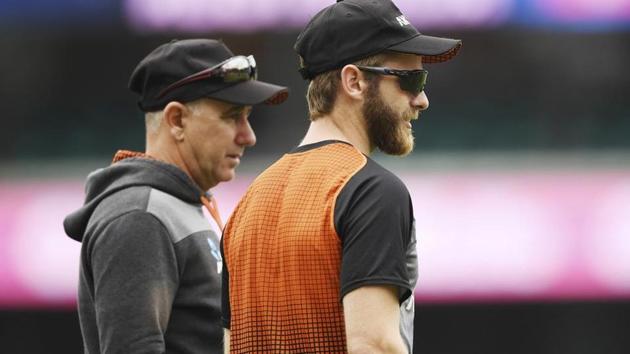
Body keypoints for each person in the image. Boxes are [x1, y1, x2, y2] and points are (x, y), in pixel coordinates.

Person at [220, 0, 462, 353]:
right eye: (411, 79)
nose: (421, 99)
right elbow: (374, 345)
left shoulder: (248, 204)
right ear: (354, 81)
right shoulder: (370, 190)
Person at [63, 38, 288, 354]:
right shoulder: (140, 217)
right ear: (177, 120)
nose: (248, 136)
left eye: (248, 116)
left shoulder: (180, 204)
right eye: (231, 116)